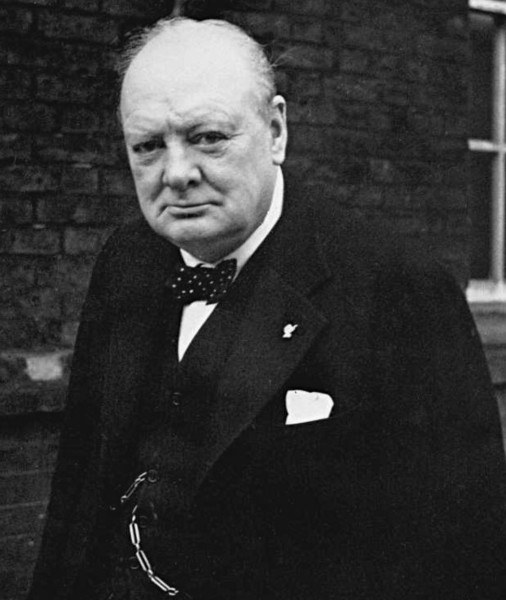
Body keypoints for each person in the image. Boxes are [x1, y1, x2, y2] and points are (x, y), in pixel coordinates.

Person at [28, 17, 506, 600]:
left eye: (208, 137)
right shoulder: (125, 260)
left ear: (275, 131)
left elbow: (462, 549)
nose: (176, 174)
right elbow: (78, 495)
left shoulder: (398, 288)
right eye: (148, 146)